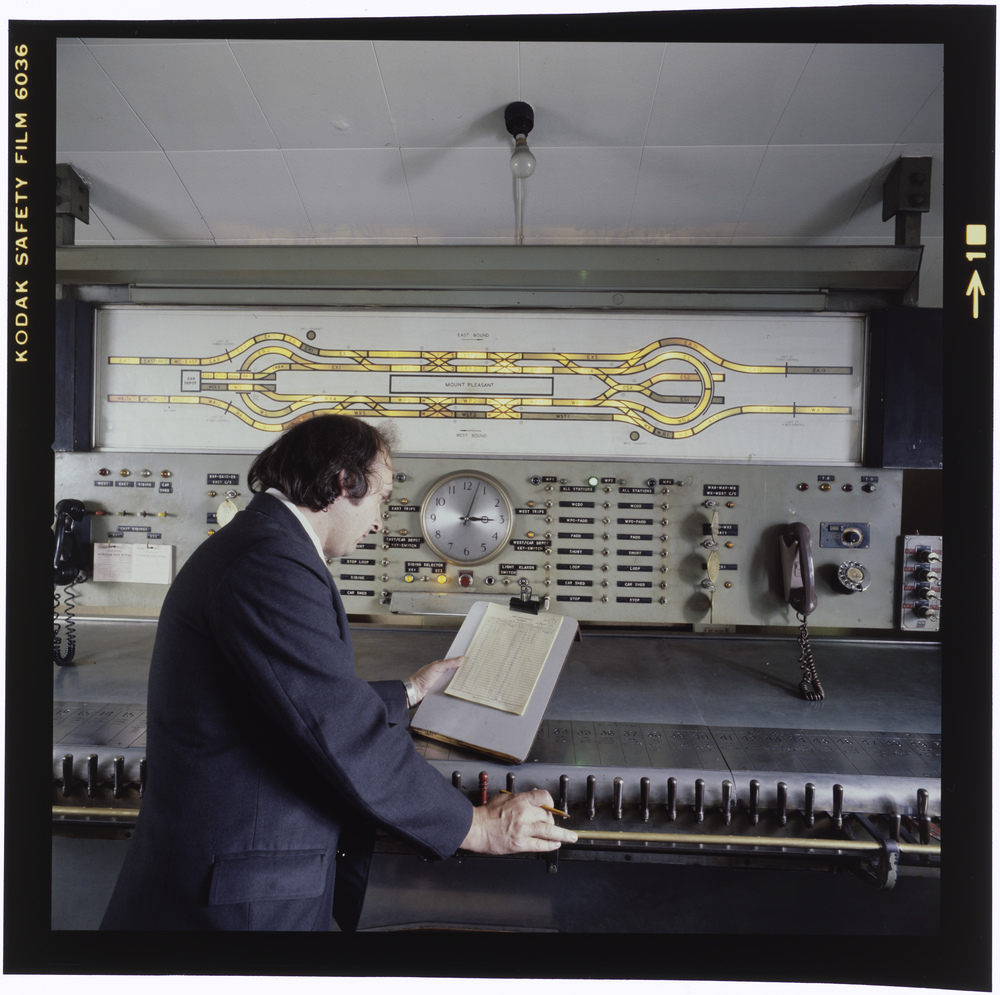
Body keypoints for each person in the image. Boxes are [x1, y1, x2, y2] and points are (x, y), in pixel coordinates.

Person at [100, 414, 576, 931]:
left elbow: (294, 694)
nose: (380, 521)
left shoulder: (263, 544)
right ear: (344, 483)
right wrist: (477, 826)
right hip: (236, 895)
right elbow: (339, 730)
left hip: (237, 880)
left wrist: (412, 690)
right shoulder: (270, 562)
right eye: (382, 498)